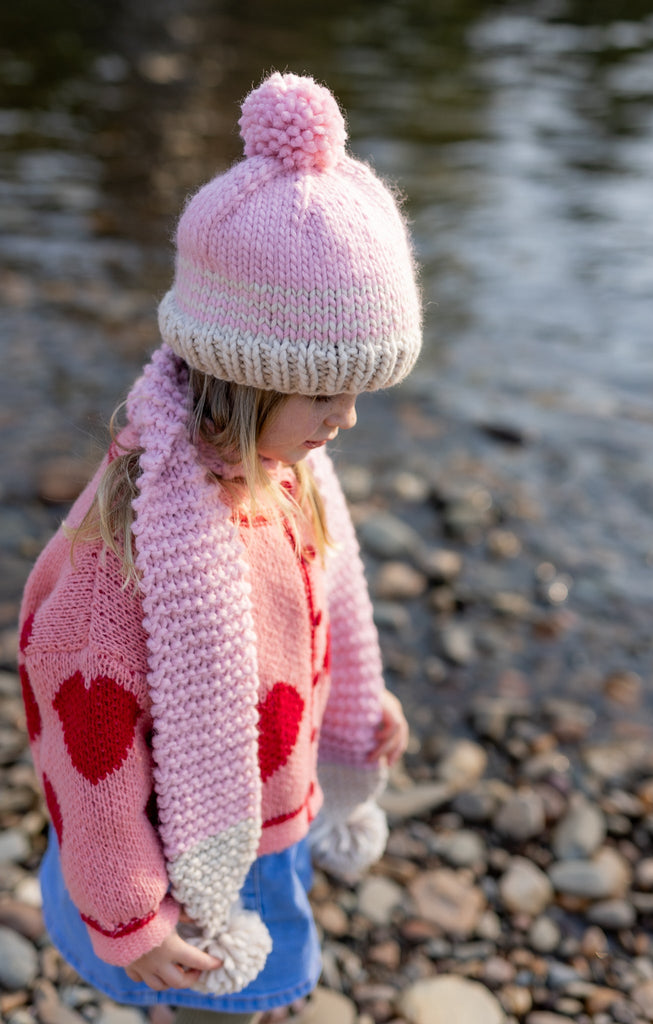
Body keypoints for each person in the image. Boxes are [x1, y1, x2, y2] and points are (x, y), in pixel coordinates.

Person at [18, 71, 422, 1024]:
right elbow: (88, 752)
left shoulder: (285, 473)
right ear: (243, 377)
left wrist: (356, 705)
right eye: (324, 395)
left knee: (244, 993)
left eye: (358, 393)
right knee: (205, 995)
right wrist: (129, 911)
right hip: (176, 847)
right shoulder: (127, 561)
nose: (347, 420)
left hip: (268, 814)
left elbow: (311, 612)